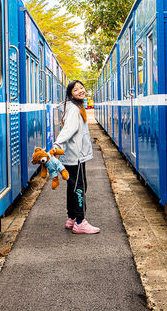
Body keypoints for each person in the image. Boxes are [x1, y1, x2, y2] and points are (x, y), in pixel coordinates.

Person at [53, 80, 99, 234]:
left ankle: (71, 217)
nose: (81, 91)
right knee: (80, 187)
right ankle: (80, 221)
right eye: (76, 90)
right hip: (76, 155)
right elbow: (69, 129)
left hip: (72, 155)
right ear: (70, 94)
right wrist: (57, 144)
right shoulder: (74, 109)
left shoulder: (74, 107)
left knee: (72, 186)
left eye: (81, 88)